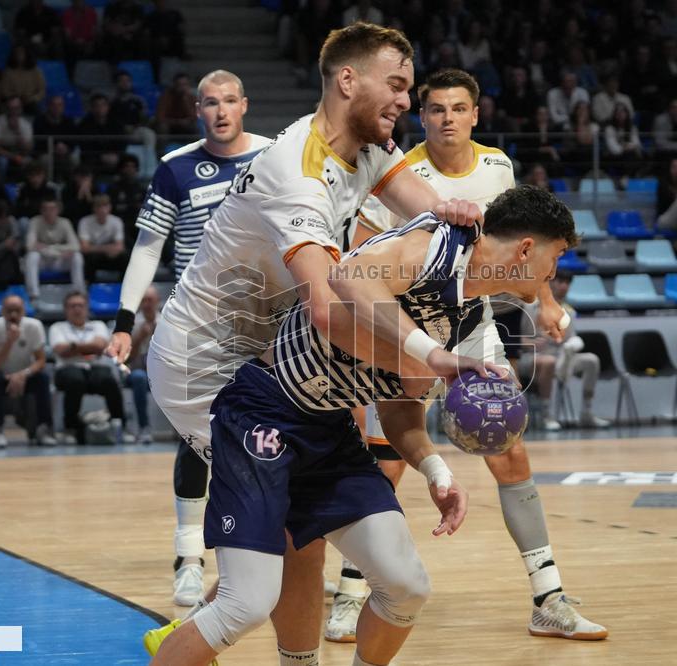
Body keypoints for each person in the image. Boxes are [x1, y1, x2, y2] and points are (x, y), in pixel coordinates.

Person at [115, 23, 568, 664]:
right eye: (398, 86)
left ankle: (237, 633)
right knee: (271, 556)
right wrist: (432, 364)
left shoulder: (370, 151)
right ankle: (205, 621)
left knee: (300, 526)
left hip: (271, 358)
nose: (406, 102)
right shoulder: (296, 170)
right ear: (348, 81)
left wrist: (459, 214)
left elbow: (429, 207)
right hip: (207, 366)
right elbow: (331, 310)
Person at [150, 186, 578, 666]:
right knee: (243, 604)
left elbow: (398, 409)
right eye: (555, 257)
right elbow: (349, 276)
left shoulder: (465, 316)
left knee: (406, 586)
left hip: (329, 431)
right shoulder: (439, 245)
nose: (552, 275)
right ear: (526, 249)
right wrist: (432, 356)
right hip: (265, 410)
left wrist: (437, 472)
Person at [340, 69, 606, 645]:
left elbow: (525, 246)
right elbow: (361, 255)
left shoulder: (498, 168)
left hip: (472, 322)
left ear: (475, 115)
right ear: (423, 116)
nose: (447, 119)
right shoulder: (399, 171)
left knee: (509, 448)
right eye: (435, 109)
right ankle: (352, 588)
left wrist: (548, 300)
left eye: (458, 108)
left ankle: (549, 597)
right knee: (385, 458)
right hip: (404, 318)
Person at [110, 69, 271, 607]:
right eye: (209, 103)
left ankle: (278, 554)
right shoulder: (175, 168)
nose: (221, 110)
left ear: (244, 104)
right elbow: (147, 249)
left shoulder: (275, 157)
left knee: (279, 440)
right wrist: (123, 323)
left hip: (269, 323)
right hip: (197, 323)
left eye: (229, 100)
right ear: (196, 109)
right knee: (197, 440)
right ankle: (188, 556)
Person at [519, 272, 610, 431]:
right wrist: (529, 342)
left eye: (568, 283)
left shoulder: (568, 310)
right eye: (560, 281)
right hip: (530, 357)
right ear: (549, 283)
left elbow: (571, 339)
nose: (564, 286)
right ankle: (546, 415)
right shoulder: (530, 307)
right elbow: (513, 338)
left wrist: (573, 345)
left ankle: (586, 412)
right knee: (549, 362)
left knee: (591, 360)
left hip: (561, 356)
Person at [50, 291, 129, 444]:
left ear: (86, 308)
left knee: (109, 380)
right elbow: (60, 350)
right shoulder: (57, 327)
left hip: (95, 370)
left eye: (80, 305)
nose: (77, 309)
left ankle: (120, 425)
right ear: (66, 309)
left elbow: (100, 346)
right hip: (66, 371)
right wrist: (89, 347)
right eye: (72, 306)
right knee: (75, 380)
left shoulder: (98, 325)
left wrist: (73, 346)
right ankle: (70, 429)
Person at [0, 294, 57, 448]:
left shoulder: (34, 326)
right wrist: (9, 341)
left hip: (25, 375)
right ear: (2, 311)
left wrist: (22, 375)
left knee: (42, 379)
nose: (13, 315)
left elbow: (41, 360)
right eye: (9, 311)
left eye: (17, 310)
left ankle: (44, 428)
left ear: (24, 311)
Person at [25, 196, 86, 300]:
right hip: (43, 261)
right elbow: (30, 245)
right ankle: (33, 294)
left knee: (77, 256)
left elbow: (76, 246)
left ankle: (79, 292)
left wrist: (48, 248)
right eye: (46, 209)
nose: (49, 212)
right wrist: (61, 250)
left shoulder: (65, 222)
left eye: (52, 209)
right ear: (41, 210)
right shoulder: (35, 221)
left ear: (58, 210)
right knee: (32, 256)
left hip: (59, 261)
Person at [126, 286, 160, 444]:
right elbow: (126, 358)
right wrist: (139, 337)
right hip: (137, 369)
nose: (147, 304)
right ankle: (144, 427)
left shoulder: (167, 321)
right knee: (139, 377)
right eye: (144, 300)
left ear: (157, 302)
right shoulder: (130, 323)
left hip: (163, 370)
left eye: (150, 300)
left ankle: (184, 431)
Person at [79, 194, 128, 281]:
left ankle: (123, 285)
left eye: (105, 206)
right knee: (89, 258)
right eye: (99, 207)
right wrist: (107, 248)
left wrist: (106, 249)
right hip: (93, 257)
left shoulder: (116, 221)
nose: (102, 210)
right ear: (94, 208)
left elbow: (120, 247)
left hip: (110, 256)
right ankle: (89, 287)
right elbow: (84, 248)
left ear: (110, 208)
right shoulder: (85, 221)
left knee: (125, 257)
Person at [77, 93, 127, 174]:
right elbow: (85, 146)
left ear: (108, 107)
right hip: (93, 158)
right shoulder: (84, 125)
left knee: (129, 162)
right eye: (97, 105)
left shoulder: (116, 124)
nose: (100, 108)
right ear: (92, 108)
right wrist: (101, 157)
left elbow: (122, 142)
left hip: (114, 157)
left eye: (103, 105)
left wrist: (116, 155)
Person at [33, 94, 77, 183]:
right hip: (46, 152)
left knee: (74, 158)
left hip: (65, 153)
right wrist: (53, 148)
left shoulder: (69, 121)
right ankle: (48, 185)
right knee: (45, 160)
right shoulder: (39, 121)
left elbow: (74, 140)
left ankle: (72, 184)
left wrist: (66, 148)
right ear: (48, 106)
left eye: (60, 105)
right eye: (53, 105)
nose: (56, 107)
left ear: (63, 107)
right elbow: (37, 142)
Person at [0, 97, 34, 181]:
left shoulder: (26, 124)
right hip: (0, 154)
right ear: (6, 109)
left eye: (16, 108)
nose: (13, 111)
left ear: (21, 109)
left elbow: (28, 148)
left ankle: (23, 187)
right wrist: (14, 157)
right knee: (2, 162)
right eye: (10, 108)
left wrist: (17, 131)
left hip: (19, 153)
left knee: (30, 162)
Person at [105, 155, 146, 247]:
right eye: (127, 166)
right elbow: (110, 208)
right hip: (119, 222)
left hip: (137, 222)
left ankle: (169, 259)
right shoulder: (113, 188)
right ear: (121, 169)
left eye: (133, 167)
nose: (130, 169)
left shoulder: (141, 188)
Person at [0, 45, 46, 114]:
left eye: (21, 53)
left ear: (26, 54)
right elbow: (4, 91)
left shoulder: (36, 71)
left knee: (36, 110)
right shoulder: (7, 72)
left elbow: (42, 90)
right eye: (16, 53)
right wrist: (16, 98)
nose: (19, 55)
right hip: (12, 102)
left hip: (31, 102)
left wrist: (32, 98)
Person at [155, 73, 199, 139]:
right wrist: (176, 122)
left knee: (196, 128)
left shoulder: (192, 98)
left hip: (185, 125)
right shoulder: (166, 97)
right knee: (162, 128)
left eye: (184, 85)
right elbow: (160, 117)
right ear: (174, 85)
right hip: (170, 124)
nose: (182, 88)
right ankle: (161, 149)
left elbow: (194, 117)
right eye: (179, 85)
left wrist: (185, 100)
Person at [653, 98, 677, 168]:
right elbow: (660, 144)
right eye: (674, 107)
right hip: (665, 153)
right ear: (669, 109)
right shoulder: (660, 120)